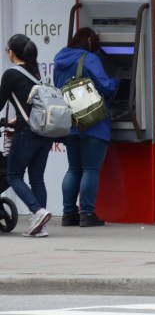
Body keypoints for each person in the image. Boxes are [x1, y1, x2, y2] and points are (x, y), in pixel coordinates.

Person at [53, 28, 118, 227]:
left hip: (71, 122)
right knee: (90, 168)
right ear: (89, 41)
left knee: (73, 169)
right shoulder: (89, 59)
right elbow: (106, 87)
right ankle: (87, 214)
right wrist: (116, 81)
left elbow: (59, 86)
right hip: (93, 122)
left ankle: (68, 214)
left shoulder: (60, 61)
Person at [0, 34, 52, 237]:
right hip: (44, 132)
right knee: (37, 178)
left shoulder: (11, 74)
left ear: (12, 52)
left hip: (27, 133)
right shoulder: (35, 71)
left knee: (13, 175)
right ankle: (41, 227)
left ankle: (38, 212)